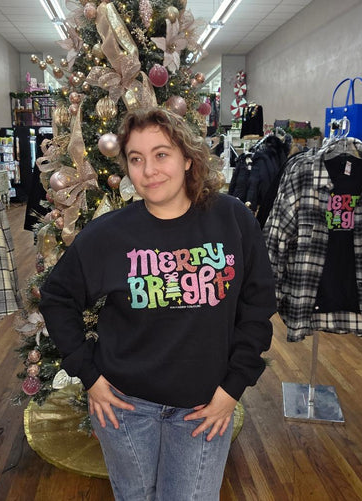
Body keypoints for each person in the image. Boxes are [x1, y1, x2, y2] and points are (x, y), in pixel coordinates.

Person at [39, 107, 277, 501]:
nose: (149, 170)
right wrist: (89, 376)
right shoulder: (109, 234)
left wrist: (233, 388)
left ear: (188, 158)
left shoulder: (232, 220)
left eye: (161, 154)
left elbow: (258, 306)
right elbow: (57, 297)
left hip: (205, 406)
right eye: (136, 159)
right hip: (125, 407)